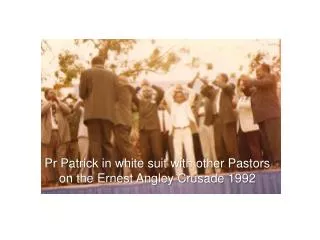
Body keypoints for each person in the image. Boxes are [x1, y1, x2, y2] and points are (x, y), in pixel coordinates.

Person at [79, 56, 118, 181]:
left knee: (95, 143)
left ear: (92, 63)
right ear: (103, 63)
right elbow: (116, 96)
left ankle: (97, 174)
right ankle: (110, 174)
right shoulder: (113, 75)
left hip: (92, 114)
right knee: (107, 143)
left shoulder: (86, 73)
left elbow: (82, 94)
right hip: (108, 114)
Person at [242, 63, 281, 167]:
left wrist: (250, 80)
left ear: (265, 71)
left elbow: (262, 83)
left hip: (271, 115)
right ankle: (273, 162)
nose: (256, 73)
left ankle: (279, 161)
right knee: (266, 142)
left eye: (258, 71)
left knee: (274, 140)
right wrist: (244, 87)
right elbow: (249, 92)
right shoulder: (258, 85)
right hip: (261, 116)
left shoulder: (271, 77)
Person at [200, 73, 239, 172]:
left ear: (223, 79)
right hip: (217, 119)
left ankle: (234, 167)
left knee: (230, 144)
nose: (216, 79)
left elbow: (225, 87)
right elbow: (204, 92)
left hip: (226, 119)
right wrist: (206, 83)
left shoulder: (230, 87)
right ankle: (224, 167)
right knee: (219, 145)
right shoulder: (215, 91)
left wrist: (215, 82)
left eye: (218, 78)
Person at [113, 76, 144, 178]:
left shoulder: (119, 89)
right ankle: (114, 174)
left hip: (119, 121)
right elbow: (139, 104)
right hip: (126, 121)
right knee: (117, 150)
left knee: (127, 148)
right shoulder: (129, 91)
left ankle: (139, 173)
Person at [165, 84, 198, 177]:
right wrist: (175, 87)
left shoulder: (187, 104)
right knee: (178, 154)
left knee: (190, 152)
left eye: (181, 96)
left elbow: (193, 93)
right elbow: (167, 94)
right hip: (177, 132)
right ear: (174, 97)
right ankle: (179, 174)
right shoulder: (172, 105)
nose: (179, 97)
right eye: (177, 96)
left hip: (187, 130)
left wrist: (183, 87)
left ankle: (193, 173)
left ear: (183, 97)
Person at [188, 73, 218, 174]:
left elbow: (211, 86)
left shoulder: (211, 95)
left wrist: (201, 79)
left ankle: (217, 169)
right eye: (201, 87)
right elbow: (189, 87)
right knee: (205, 147)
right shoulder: (198, 97)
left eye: (204, 86)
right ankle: (208, 170)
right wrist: (195, 77)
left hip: (209, 121)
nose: (202, 88)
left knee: (213, 146)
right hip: (200, 121)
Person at [41, 88, 71, 186]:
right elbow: (41, 112)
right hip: (48, 134)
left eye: (54, 92)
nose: (53, 94)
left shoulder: (60, 104)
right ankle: (45, 180)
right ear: (46, 95)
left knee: (61, 158)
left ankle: (62, 180)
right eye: (51, 92)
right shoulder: (43, 103)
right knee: (46, 158)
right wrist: (49, 102)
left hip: (60, 134)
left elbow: (68, 111)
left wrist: (58, 101)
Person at [136, 79, 165, 176]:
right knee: (144, 153)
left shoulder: (155, 101)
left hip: (154, 130)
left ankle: (161, 173)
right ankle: (147, 174)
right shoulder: (139, 102)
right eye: (145, 91)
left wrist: (151, 85)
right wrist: (141, 86)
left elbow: (161, 92)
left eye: (148, 91)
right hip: (143, 130)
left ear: (151, 92)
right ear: (142, 93)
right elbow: (132, 94)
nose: (147, 92)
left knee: (158, 152)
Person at [236, 75, 263, 169]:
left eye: (243, 85)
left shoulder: (254, 93)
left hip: (252, 125)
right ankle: (248, 167)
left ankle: (259, 167)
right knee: (245, 148)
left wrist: (240, 105)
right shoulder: (242, 97)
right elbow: (237, 107)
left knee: (255, 148)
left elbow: (251, 105)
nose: (241, 87)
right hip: (243, 126)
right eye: (240, 85)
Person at [63, 94, 81, 182]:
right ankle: (66, 179)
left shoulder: (78, 113)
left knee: (76, 161)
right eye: (68, 105)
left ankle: (73, 179)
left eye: (71, 105)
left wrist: (73, 97)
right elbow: (61, 103)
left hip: (75, 140)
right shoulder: (64, 114)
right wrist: (65, 98)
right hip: (65, 140)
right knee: (65, 161)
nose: (70, 106)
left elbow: (80, 102)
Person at [158, 99, 174, 176]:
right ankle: (162, 172)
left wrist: (167, 108)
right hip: (160, 134)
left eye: (163, 103)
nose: (161, 105)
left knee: (171, 154)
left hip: (169, 133)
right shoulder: (156, 112)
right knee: (161, 154)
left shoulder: (169, 111)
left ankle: (172, 172)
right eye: (160, 103)